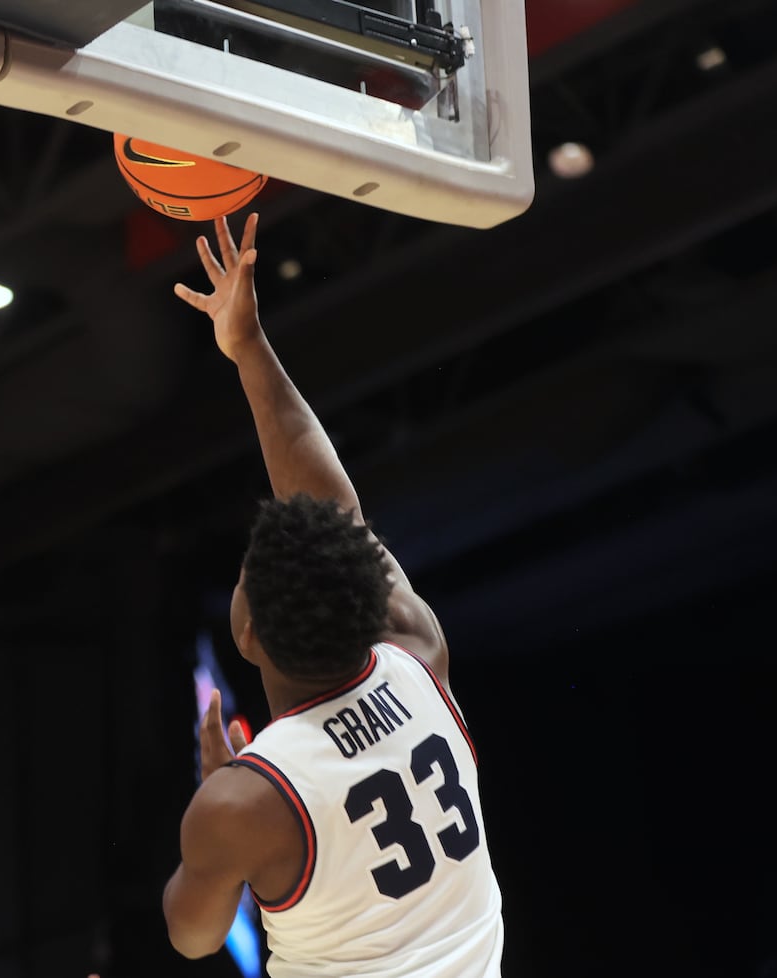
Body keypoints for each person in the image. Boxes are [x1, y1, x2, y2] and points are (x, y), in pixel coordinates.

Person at [161, 215, 504, 977]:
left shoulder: (241, 804)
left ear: (249, 637)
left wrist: (222, 794)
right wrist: (248, 347)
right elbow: (336, 511)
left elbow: (193, 935)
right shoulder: (415, 653)